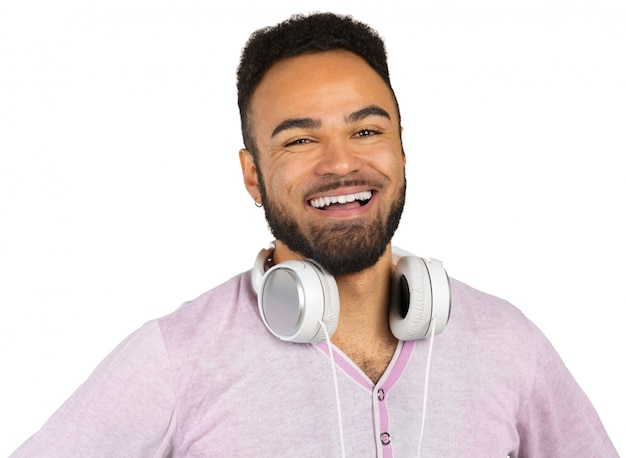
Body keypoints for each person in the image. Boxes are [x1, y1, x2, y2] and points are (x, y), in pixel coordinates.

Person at [11, 12, 617, 457]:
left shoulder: (508, 342)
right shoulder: (176, 358)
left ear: (402, 150)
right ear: (253, 175)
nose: (340, 164)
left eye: (366, 131)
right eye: (300, 140)